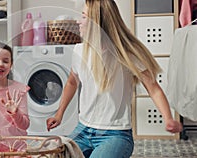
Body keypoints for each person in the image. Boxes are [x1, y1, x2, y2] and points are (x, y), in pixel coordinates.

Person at [46, 0, 183, 158]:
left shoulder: (127, 53)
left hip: (115, 135)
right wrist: (59, 114)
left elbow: (153, 88)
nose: (78, 22)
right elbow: (72, 82)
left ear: (97, 22)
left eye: (83, 17)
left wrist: (168, 119)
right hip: (83, 131)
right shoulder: (79, 50)